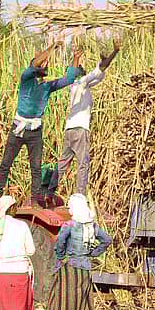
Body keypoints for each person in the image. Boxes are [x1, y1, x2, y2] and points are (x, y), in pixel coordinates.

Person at [0, 43, 81, 206]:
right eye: (43, 63)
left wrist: (76, 57)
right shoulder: (26, 79)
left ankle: (35, 200)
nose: (45, 65)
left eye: (46, 64)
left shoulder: (47, 87)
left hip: (35, 131)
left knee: (35, 167)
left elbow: (69, 79)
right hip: (18, 129)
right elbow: (35, 64)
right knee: (6, 163)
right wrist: (52, 47)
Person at [46, 40, 120, 202]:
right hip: (80, 129)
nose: (83, 69)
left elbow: (99, 75)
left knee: (63, 163)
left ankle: (49, 193)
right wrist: (115, 52)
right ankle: (80, 195)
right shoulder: (82, 82)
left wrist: (104, 60)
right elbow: (101, 69)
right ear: (79, 73)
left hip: (70, 129)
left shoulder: (76, 86)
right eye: (81, 68)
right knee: (82, 163)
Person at [46, 194, 113, 310]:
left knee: (65, 296)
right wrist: (93, 253)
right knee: (82, 296)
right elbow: (107, 240)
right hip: (85, 268)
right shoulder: (92, 226)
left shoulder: (69, 225)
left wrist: (60, 256)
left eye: (70, 206)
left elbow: (60, 242)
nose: (69, 209)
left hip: (69, 267)